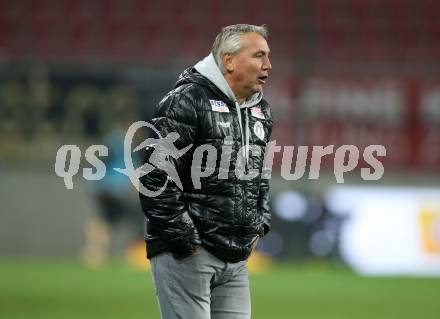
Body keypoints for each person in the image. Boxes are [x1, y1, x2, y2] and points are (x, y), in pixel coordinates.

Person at [139, 24, 273, 319]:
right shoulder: (186, 101)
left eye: (267, 56)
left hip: (236, 256)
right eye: (259, 55)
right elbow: (155, 179)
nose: (268, 65)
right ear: (228, 60)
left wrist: (258, 224)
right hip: (187, 254)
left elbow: (259, 175)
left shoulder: (259, 111)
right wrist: (187, 241)